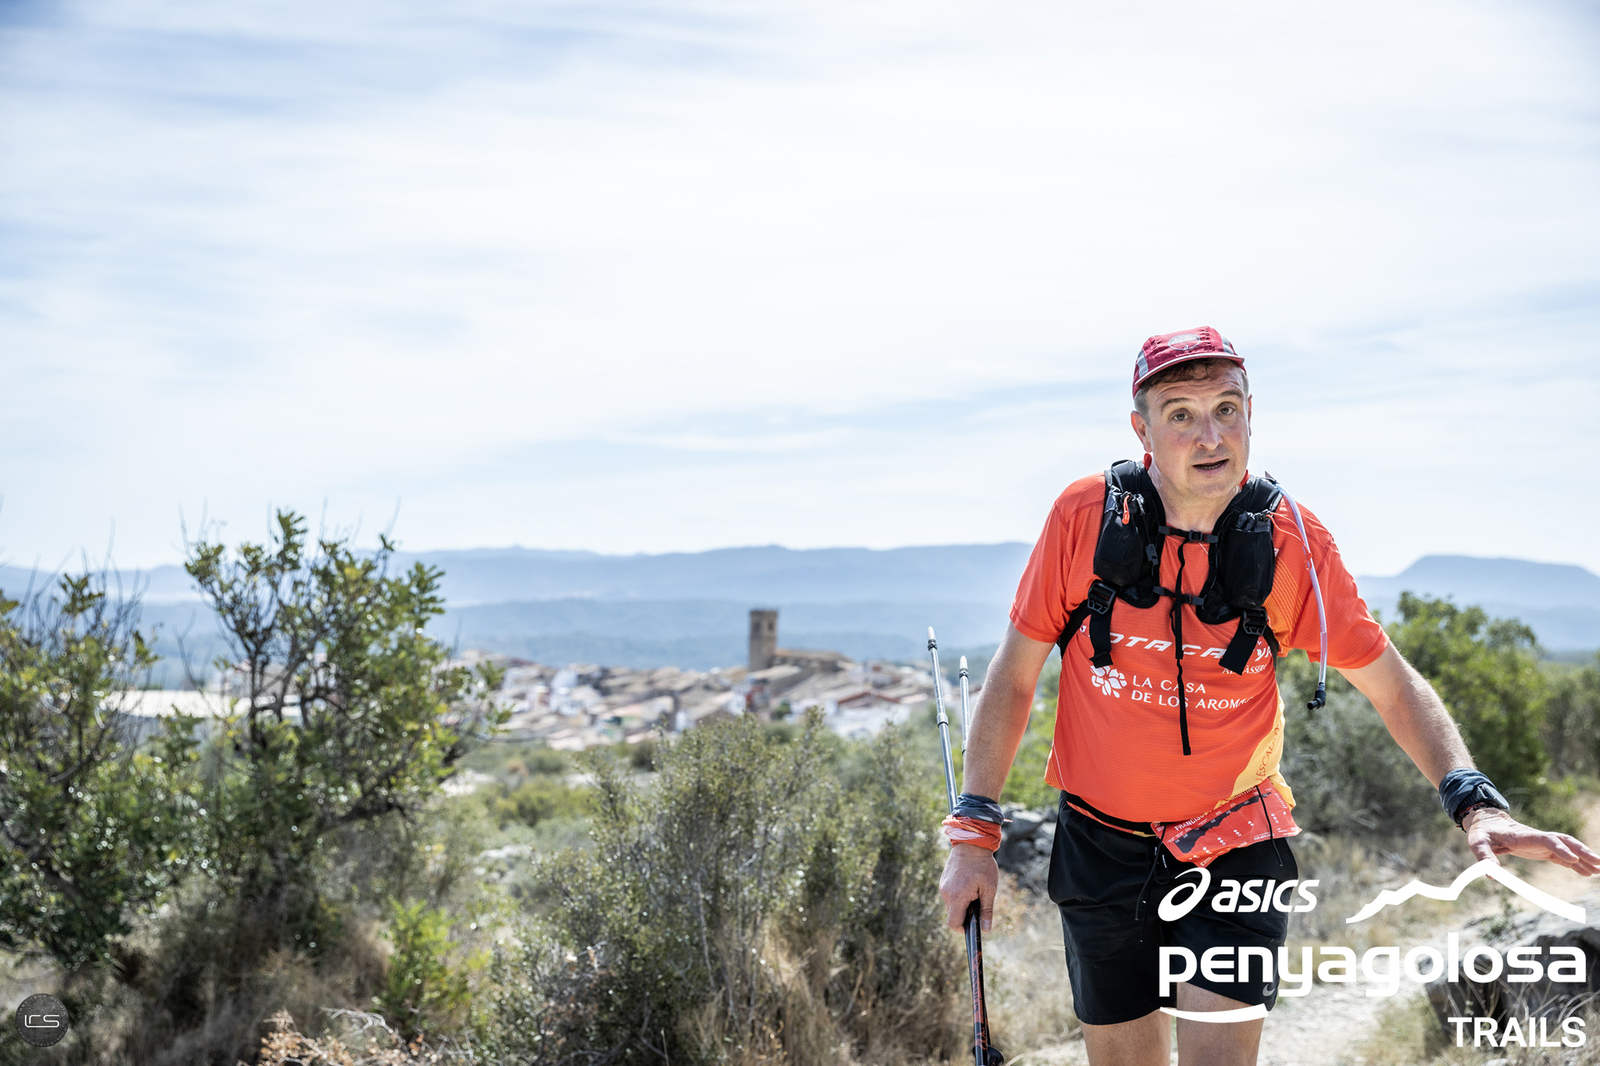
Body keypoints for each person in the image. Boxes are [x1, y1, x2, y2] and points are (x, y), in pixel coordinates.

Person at [937, 326, 1600, 1066]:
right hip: (1101, 841)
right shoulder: (1085, 518)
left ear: (1251, 414)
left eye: (1227, 409)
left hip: (1236, 842)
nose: (1210, 435)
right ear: (1142, 430)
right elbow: (1015, 677)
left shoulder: (1292, 543)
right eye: (1181, 414)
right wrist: (974, 839)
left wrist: (1475, 802)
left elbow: (1391, 685)